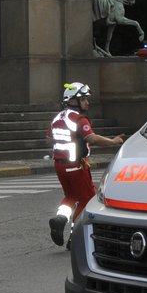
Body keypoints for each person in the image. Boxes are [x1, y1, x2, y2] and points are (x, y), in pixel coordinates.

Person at [47, 82, 124, 247]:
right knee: (87, 199)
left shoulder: (57, 118)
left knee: (71, 196)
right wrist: (114, 141)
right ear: (73, 101)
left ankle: (60, 220)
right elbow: (92, 139)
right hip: (76, 165)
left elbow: (50, 138)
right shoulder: (78, 119)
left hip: (59, 165)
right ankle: (74, 237)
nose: (87, 103)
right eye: (83, 99)